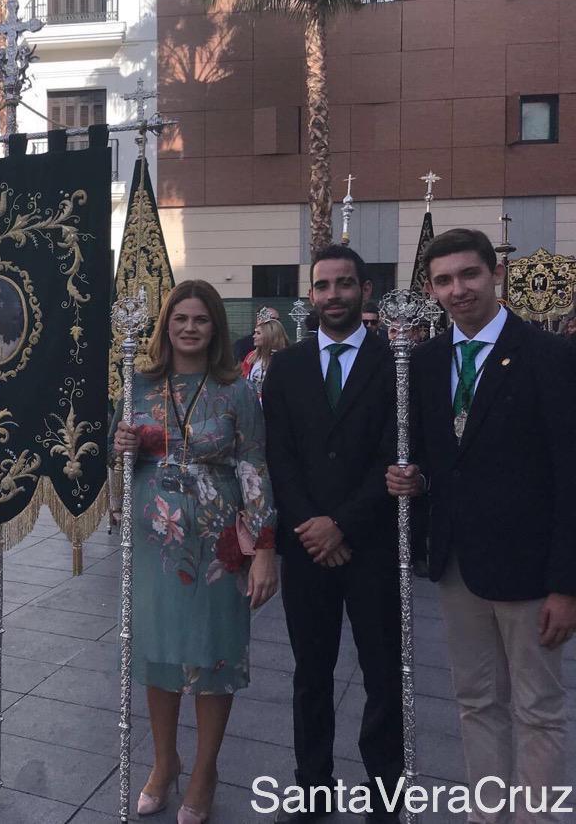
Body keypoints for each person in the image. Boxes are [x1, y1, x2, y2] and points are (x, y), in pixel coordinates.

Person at [387, 228, 576, 824]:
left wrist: (566, 585)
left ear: (494, 274)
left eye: (468, 275)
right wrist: (414, 480)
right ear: (431, 288)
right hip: (457, 566)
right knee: (475, 702)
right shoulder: (425, 361)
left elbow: (571, 473)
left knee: (539, 709)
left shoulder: (550, 356)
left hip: (530, 572)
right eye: (443, 280)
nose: (457, 290)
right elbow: (439, 457)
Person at [112, 281, 278, 824]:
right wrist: (123, 447)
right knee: (160, 653)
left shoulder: (236, 392)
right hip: (156, 547)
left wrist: (263, 550)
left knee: (213, 654)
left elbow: (253, 468)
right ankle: (165, 763)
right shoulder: (138, 383)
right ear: (166, 325)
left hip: (216, 544)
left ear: (215, 328)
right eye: (180, 318)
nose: (189, 327)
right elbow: (121, 458)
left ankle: (204, 771)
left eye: (200, 319)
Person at [262, 245, 402, 823]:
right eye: (323, 286)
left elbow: (392, 453)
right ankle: (312, 784)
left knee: (383, 674)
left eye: (345, 284)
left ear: (364, 290)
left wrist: (342, 522)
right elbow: (280, 456)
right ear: (310, 295)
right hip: (307, 547)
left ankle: (384, 790)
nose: (334, 295)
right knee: (311, 673)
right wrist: (313, 526)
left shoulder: (394, 363)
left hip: (369, 543)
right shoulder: (287, 367)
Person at [242, 313, 289, 397]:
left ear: (269, 336)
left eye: (258, 333)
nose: (254, 336)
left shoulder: (283, 359)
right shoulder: (251, 357)